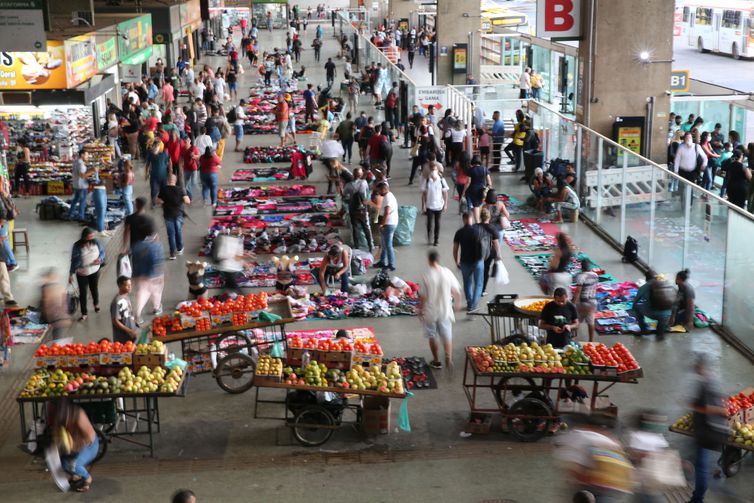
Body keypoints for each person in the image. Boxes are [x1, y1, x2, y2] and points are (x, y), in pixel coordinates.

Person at [688, 353, 727, 503]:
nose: (693, 367)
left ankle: (698, 500)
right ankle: (698, 497)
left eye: (696, 365)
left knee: (703, 468)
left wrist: (696, 407)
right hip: (706, 431)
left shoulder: (708, 383)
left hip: (708, 432)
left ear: (701, 366)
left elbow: (720, 410)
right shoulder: (709, 381)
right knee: (701, 465)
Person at [418, 250, 462, 370]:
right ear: (438, 260)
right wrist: (457, 304)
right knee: (446, 335)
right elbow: (456, 291)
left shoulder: (426, 275)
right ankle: (448, 357)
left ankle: (436, 361)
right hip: (445, 310)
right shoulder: (447, 272)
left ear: (429, 260)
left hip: (430, 311)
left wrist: (420, 309)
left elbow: (423, 296)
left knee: (432, 336)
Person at [50, 399, 98, 492]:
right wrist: (56, 447)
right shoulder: (59, 419)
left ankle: (88, 479)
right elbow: (56, 435)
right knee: (62, 464)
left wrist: (75, 447)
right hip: (73, 445)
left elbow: (89, 437)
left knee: (74, 465)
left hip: (89, 445)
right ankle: (76, 476)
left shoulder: (79, 415)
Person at [131, 224, 165, 323]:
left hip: (139, 275)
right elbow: (157, 261)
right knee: (157, 292)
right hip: (154, 275)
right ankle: (156, 308)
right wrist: (157, 274)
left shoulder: (136, 245)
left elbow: (133, 260)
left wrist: (134, 275)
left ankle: (137, 314)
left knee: (141, 295)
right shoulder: (156, 245)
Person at [69, 228, 104, 322]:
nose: (91, 238)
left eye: (92, 236)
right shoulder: (77, 246)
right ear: (84, 237)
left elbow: (102, 252)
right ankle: (84, 313)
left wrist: (100, 259)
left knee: (94, 288)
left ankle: (96, 304)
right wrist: (71, 274)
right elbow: (73, 260)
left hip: (95, 270)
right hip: (82, 273)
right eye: (89, 237)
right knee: (83, 293)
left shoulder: (96, 242)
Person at [453, 212, 484, 313]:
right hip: (478, 261)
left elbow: (455, 249)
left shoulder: (459, 232)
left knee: (467, 283)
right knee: (478, 283)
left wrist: (456, 261)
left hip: (465, 262)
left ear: (464, 220)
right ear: (472, 219)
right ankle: (474, 304)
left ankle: (469, 304)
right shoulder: (478, 231)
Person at [157, 173, 190, 259]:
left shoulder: (163, 189)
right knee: (178, 231)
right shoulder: (180, 189)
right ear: (175, 181)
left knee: (171, 234)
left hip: (168, 214)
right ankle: (179, 248)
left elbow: (158, 201)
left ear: (168, 180)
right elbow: (187, 201)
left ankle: (172, 254)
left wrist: (165, 201)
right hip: (178, 213)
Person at [631, 270, 673, 338]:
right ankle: (662, 329)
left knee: (636, 307)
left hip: (654, 313)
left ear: (646, 278)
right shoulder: (666, 283)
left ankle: (643, 329)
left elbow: (636, 300)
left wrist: (634, 307)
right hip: (668, 314)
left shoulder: (645, 286)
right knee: (663, 316)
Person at [421, 161, 449, 246]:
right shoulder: (427, 181)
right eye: (432, 169)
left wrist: (445, 204)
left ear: (437, 170)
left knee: (438, 223)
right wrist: (424, 206)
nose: (434, 171)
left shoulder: (441, 180)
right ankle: (429, 236)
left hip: (439, 205)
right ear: (430, 170)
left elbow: (445, 193)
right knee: (429, 223)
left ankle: (436, 239)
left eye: (435, 169)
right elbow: (423, 195)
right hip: (429, 205)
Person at [345, 167, 372, 251]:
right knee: (366, 227)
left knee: (355, 228)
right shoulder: (364, 182)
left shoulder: (349, 185)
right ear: (361, 175)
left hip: (353, 209)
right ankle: (370, 245)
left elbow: (345, 195)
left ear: (353, 174)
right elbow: (367, 193)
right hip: (363, 209)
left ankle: (357, 247)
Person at [478, 208, 502, 297]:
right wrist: (499, 254)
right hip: (489, 253)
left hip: (478, 252)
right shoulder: (492, 228)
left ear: (480, 217)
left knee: (478, 269)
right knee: (486, 270)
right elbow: (496, 243)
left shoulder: (476, 226)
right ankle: (483, 290)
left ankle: (477, 286)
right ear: (489, 217)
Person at [573, 259, 599, 342]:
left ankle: (573, 339)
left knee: (576, 320)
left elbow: (578, 291)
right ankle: (591, 340)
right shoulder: (595, 275)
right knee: (591, 321)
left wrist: (573, 303)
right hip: (593, 302)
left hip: (583, 302)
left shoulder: (581, 276)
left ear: (581, 267)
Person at [374, 182, 398, 270]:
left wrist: (382, 224)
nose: (378, 192)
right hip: (388, 223)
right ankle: (382, 261)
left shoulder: (388, 198)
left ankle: (391, 264)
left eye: (379, 190)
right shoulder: (388, 196)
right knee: (384, 244)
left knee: (388, 245)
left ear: (384, 189)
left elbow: (387, 212)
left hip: (388, 224)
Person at [461, 155, 491, 223]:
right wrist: (486, 190)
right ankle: (478, 221)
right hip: (481, 191)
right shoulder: (484, 169)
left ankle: (477, 222)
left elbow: (468, 182)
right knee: (478, 205)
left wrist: (463, 192)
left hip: (471, 191)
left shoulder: (470, 170)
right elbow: (489, 182)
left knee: (473, 207)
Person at [111, 276, 138, 343]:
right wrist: (129, 331)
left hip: (131, 334)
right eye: (127, 285)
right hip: (123, 338)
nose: (130, 287)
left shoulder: (126, 297)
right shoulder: (117, 301)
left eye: (130, 285)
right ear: (120, 286)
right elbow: (115, 320)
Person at [67, 150, 93, 221]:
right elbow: (82, 175)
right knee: (82, 201)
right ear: (82, 155)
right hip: (82, 185)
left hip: (76, 185)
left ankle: (70, 214)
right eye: (87, 155)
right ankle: (81, 217)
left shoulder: (76, 162)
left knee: (75, 200)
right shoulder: (80, 163)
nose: (88, 156)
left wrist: (90, 170)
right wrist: (92, 171)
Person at [144, 141, 170, 208]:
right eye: (155, 146)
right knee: (153, 190)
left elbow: (169, 163)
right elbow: (147, 165)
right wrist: (146, 174)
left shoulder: (164, 154)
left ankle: (163, 202)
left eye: (157, 146)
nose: (156, 147)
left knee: (164, 190)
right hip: (154, 177)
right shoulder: (150, 154)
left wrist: (170, 172)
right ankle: (153, 203)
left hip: (164, 176)